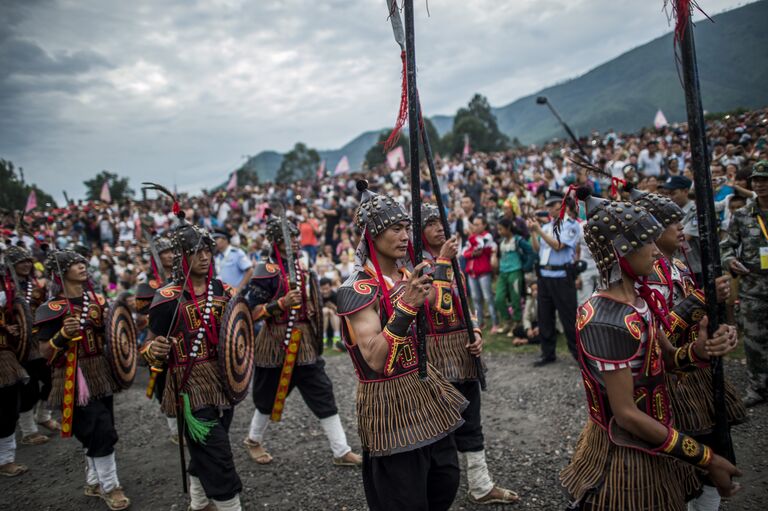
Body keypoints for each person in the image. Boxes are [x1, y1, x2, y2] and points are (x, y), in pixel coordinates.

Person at [560, 188, 741, 510]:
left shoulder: (641, 301)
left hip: (659, 432)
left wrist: (700, 350)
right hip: (626, 448)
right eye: (647, 243)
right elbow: (626, 414)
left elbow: (668, 360)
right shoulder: (606, 319)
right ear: (620, 253)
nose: (657, 253)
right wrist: (705, 457)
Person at [336, 181, 467, 511]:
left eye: (407, 228)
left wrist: (442, 270)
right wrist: (407, 307)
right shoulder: (357, 290)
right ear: (372, 235)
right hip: (388, 402)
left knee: (446, 478)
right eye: (395, 229)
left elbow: (445, 305)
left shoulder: (406, 273)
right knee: (404, 497)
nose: (405, 236)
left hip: (425, 391)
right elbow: (376, 358)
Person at [631, 187, 747, 510]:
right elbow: (657, 332)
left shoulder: (679, 266)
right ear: (652, 230)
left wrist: (717, 322)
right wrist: (699, 301)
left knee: (714, 456)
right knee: (684, 466)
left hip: (695, 371)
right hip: (672, 379)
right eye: (671, 222)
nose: (680, 227)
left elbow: (697, 320)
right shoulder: (645, 275)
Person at [242, 213, 360, 467]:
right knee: (267, 396)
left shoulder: (301, 267)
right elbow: (250, 312)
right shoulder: (265, 271)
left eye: (296, 236)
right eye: (288, 238)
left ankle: (341, 450)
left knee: (322, 391)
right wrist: (280, 304)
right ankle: (253, 440)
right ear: (275, 242)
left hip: (304, 341)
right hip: (274, 342)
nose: (295, 241)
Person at [421, 204, 519, 505]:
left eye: (443, 221)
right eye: (432, 223)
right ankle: (437, 492)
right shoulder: (415, 265)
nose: (440, 227)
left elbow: (465, 304)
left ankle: (480, 484)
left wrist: (476, 332)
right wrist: (442, 262)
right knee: (441, 427)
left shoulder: (452, 262)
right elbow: (442, 304)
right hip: (435, 355)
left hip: (463, 351)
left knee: (472, 421)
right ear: (419, 231)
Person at [145, 223, 243, 511]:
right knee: (218, 453)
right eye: (196, 252)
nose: (204, 257)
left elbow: (240, 331)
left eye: (207, 250)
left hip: (224, 381)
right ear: (181, 257)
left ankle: (199, 503)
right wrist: (155, 349)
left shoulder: (223, 291)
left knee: (208, 448)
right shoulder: (167, 299)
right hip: (189, 387)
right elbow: (148, 346)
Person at [35, 250, 130, 510]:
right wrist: (63, 335)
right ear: (61, 272)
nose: (82, 267)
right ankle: (111, 486)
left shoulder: (96, 299)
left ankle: (93, 481)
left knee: (102, 426)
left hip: (100, 371)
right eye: (75, 264)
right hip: (72, 375)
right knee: (99, 430)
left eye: (82, 263)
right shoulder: (51, 308)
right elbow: (46, 351)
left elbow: (111, 331)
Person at [721, 160, 768, 407]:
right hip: (753, 289)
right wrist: (730, 261)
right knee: (753, 342)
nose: (760, 184)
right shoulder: (742, 215)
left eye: (764, 180)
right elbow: (726, 246)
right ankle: (757, 386)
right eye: (756, 180)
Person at [5, 246, 57, 446]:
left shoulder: (35, 285)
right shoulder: (4, 288)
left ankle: (43, 415)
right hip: (16, 346)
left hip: (38, 341)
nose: (26, 265)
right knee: (29, 388)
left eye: (28, 261)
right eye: (21, 262)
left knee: (53, 378)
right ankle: (28, 431)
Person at [133, 236, 177, 443]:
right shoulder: (147, 284)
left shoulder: (182, 277)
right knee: (162, 383)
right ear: (156, 257)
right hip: (158, 338)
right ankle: (175, 429)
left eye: (172, 251)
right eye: (165, 252)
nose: (170, 255)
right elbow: (141, 317)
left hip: (181, 338)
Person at [528, 191, 579, 365]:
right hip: (545, 276)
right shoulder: (548, 226)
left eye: (552, 206)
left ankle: (578, 354)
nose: (549, 209)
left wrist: (539, 231)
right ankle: (548, 353)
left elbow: (558, 246)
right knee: (545, 317)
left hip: (562, 277)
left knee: (569, 318)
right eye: (548, 206)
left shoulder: (570, 225)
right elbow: (537, 249)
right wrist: (534, 233)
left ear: (561, 206)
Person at [494, 217, 534, 335]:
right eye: (498, 229)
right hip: (503, 273)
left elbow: (530, 251)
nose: (499, 232)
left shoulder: (518, 240)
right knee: (499, 299)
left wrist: (526, 266)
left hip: (515, 272)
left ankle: (517, 323)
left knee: (515, 298)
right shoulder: (501, 242)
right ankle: (508, 321)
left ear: (508, 228)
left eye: (501, 229)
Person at [660, 175, 702, 283]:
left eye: (673, 193)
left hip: (694, 267)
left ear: (685, 191)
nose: (669, 197)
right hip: (677, 268)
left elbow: (684, 237)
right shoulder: (670, 212)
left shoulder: (696, 211)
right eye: (667, 194)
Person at [462, 217, 499, 332]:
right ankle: (480, 323)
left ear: (484, 225)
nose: (475, 227)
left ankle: (495, 323)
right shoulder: (473, 238)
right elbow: (464, 252)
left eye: (478, 224)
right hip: (472, 273)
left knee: (488, 298)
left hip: (483, 272)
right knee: (476, 299)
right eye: (474, 224)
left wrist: (471, 237)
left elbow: (480, 245)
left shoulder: (487, 236)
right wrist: (472, 253)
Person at [213, 229, 253, 294]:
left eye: (216, 238)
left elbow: (250, 271)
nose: (214, 241)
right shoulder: (216, 256)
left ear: (225, 240)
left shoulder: (237, 253)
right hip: (222, 295)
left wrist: (239, 289)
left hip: (236, 295)